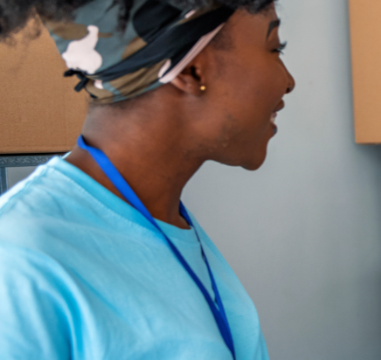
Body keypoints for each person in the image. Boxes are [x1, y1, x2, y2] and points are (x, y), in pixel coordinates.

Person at [0, 0, 294, 358]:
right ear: (193, 70)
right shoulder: (21, 261)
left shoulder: (166, 222)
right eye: (274, 48)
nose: (289, 82)